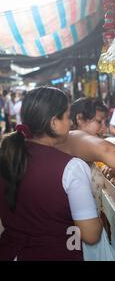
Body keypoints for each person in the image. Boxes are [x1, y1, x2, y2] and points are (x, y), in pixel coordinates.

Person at [0, 87, 102, 260]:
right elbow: (90, 235)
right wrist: (99, 215)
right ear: (54, 122)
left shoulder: (7, 157)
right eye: (68, 116)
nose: (70, 123)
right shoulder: (72, 167)